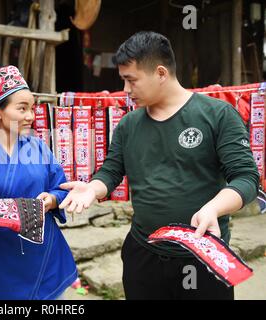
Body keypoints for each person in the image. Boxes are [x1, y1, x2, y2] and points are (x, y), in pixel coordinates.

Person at [59, 31, 259, 300]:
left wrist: (214, 208)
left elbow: (246, 178)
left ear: (161, 73)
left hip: (203, 254)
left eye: (131, 80)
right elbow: (111, 171)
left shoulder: (217, 115)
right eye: (123, 81)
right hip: (144, 253)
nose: (126, 90)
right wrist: (93, 189)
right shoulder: (129, 125)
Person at [0, 65, 77, 300]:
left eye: (32, 108)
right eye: (22, 108)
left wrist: (52, 200)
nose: (30, 116)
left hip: (45, 255)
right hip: (3, 260)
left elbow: (61, 188)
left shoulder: (39, 148)